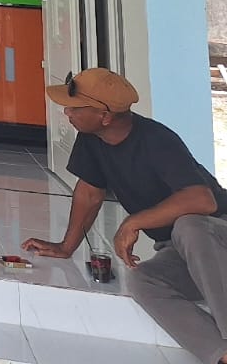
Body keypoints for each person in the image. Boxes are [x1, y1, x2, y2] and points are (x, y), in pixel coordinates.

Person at [22, 67, 227, 364]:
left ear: (105, 116)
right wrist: (66, 247)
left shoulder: (157, 139)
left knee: (188, 225)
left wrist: (134, 222)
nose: (67, 112)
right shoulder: (92, 139)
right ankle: (221, 354)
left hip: (217, 236)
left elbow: (202, 200)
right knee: (143, 281)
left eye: (75, 108)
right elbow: (90, 192)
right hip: (183, 251)